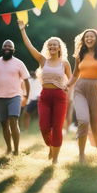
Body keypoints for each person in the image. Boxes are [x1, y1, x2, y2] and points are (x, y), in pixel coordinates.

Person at [18, 20, 71, 164]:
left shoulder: (65, 63)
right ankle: (51, 146)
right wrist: (23, 30)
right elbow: (29, 47)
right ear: (48, 47)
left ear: (60, 47)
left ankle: (55, 159)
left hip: (60, 96)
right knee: (44, 127)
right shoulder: (43, 60)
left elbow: (71, 79)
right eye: (50, 44)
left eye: (55, 44)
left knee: (57, 127)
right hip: (45, 96)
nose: (53, 46)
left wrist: (68, 87)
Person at [66, 6, 97, 164]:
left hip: (96, 89)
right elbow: (75, 74)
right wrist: (67, 85)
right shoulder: (80, 55)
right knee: (83, 121)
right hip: (80, 89)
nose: (89, 38)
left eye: (92, 36)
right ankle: (81, 155)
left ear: (96, 39)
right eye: (87, 37)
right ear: (84, 40)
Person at [0, 40, 30, 155]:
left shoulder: (19, 63)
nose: (7, 48)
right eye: (5, 46)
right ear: (2, 48)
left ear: (13, 49)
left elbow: (26, 80)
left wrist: (26, 96)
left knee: (13, 121)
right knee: (4, 124)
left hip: (14, 97)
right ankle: (9, 148)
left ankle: (16, 150)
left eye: (9, 46)